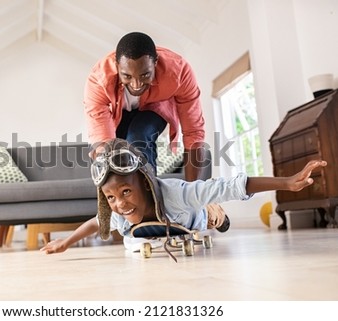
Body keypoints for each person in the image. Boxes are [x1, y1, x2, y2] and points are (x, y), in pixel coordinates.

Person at [41, 139, 327, 259]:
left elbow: (229, 185)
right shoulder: (119, 212)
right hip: (157, 233)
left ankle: (219, 215)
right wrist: (65, 242)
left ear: (143, 182)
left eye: (126, 191)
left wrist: (288, 182)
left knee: (211, 214)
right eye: (111, 197)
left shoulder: (175, 194)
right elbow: (95, 222)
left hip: (194, 215)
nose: (120, 203)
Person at [84, 31, 205, 181]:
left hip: (154, 108)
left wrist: (193, 189)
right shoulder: (99, 79)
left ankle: (150, 196)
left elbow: (193, 131)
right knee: (116, 152)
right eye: (127, 76)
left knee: (138, 138)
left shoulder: (179, 72)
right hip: (118, 114)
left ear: (155, 63)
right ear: (117, 66)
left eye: (145, 75)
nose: (136, 85)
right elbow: (102, 140)